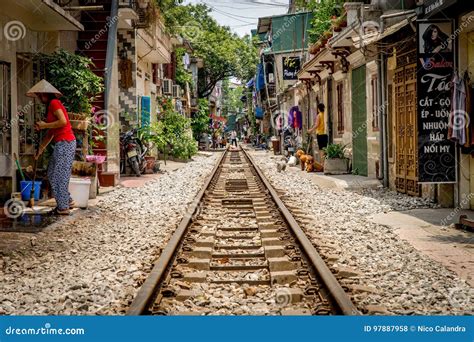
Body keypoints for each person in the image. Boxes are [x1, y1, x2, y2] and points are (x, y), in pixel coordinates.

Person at [27, 79, 76, 215]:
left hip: (66, 142)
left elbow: (63, 122)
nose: (38, 98)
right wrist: (40, 149)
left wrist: (45, 125)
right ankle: (67, 200)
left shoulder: (54, 103)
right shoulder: (50, 108)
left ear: (45, 95)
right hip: (62, 143)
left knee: (59, 175)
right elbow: (50, 133)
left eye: (39, 95)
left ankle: (63, 207)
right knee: (52, 174)